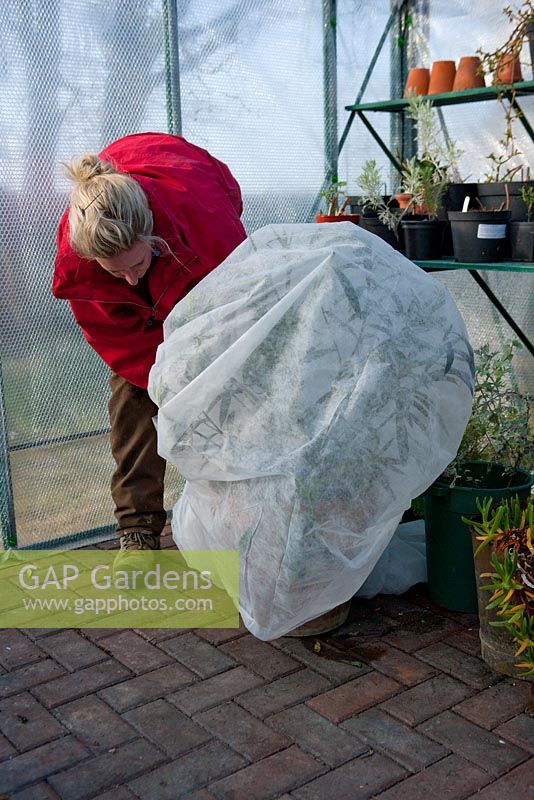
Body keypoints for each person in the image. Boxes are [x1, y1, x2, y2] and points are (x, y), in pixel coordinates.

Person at [53, 132, 247, 550]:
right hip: (144, 311)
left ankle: (244, 509)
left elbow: (237, 306)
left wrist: (204, 374)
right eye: (114, 271)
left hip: (199, 271)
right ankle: (137, 529)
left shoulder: (208, 226)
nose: (130, 278)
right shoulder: (80, 263)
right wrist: (166, 381)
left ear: (150, 233)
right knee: (132, 396)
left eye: (137, 263)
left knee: (233, 387)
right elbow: (119, 344)